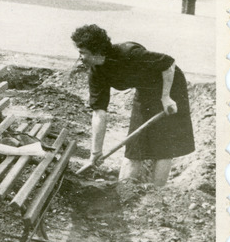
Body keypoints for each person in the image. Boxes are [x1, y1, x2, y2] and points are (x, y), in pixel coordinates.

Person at [71, 24, 195, 186]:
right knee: (134, 146)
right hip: (145, 89)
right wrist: (95, 152)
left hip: (170, 86)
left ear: (97, 51)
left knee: (163, 145)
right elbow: (99, 112)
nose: (81, 57)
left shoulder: (129, 54)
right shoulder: (96, 72)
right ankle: (124, 189)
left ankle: (156, 193)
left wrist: (165, 97)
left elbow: (168, 63)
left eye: (83, 53)